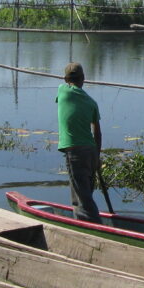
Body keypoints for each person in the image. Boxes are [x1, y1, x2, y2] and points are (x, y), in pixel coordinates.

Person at [56, 62, 102, 223]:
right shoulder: (92, 102)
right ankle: (85, 222)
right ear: (83, 79)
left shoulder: (62, 91)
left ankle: (93, 227)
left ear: (65, 79)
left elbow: (66, 84)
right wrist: (97, 157)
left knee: (82, 198)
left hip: (76, 152)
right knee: (85, 193)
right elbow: (97, 132)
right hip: (90, 151)